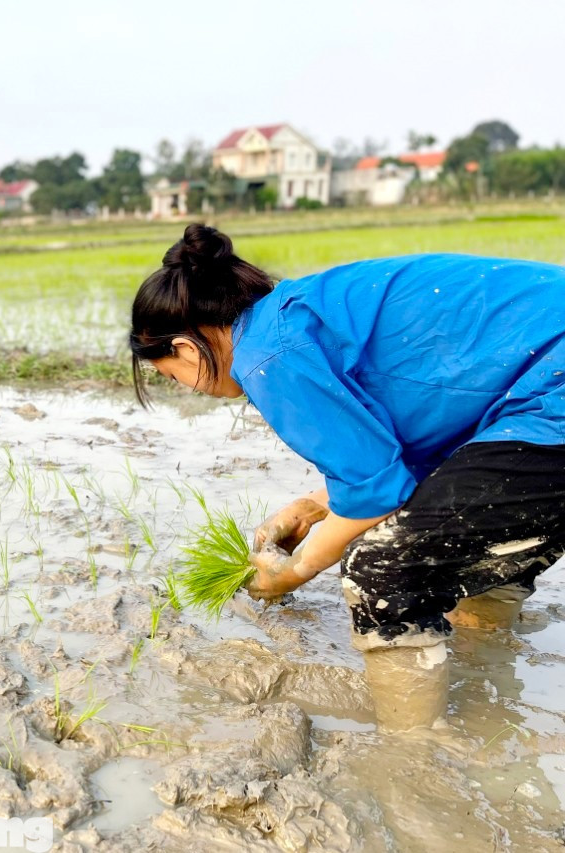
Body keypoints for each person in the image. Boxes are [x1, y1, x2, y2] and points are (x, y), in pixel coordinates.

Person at [128, 223, 565, 732]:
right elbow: (415, 448)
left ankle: (412, 749)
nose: (184, 387)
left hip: (551, 397)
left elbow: (380, 494)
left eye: (168, 375)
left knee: (382, 567)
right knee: (455, 534)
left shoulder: (267, 356)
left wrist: (294, 571)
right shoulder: (295, 314)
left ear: (183, 347)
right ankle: (489, 690)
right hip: (537, 391)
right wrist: (314, 507)